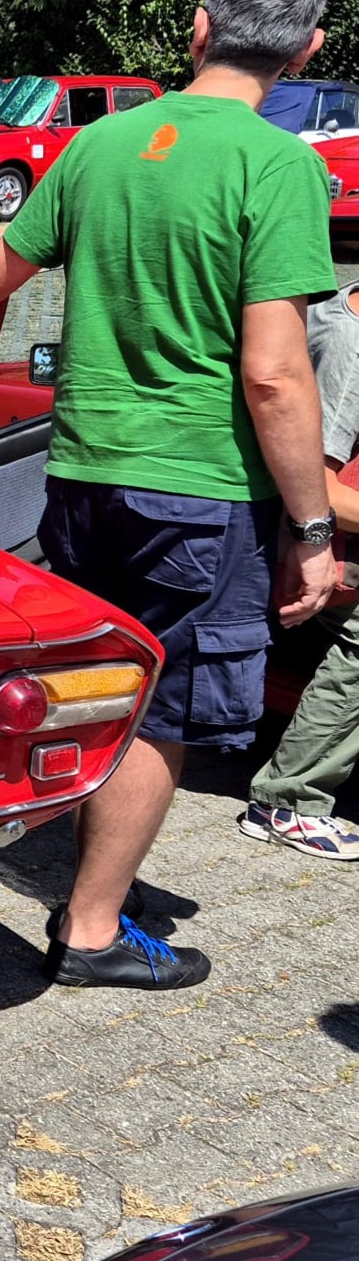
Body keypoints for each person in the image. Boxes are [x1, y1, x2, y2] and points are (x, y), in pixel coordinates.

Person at [0, 0, 339, 989]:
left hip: (80, 471)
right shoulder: (279, 166)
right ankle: (88, 931)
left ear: (194, 25)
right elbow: (271, 374)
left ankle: (20, 837)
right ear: (308, 51)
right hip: (200, 489)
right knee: (161, 711)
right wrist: (310, 532)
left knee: (92, 677)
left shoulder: (98, 141)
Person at [242, 281, 359, 861]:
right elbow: (324, 489)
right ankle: (288, 800)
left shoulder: (340, 305)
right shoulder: (349, 346)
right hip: (318, 540)